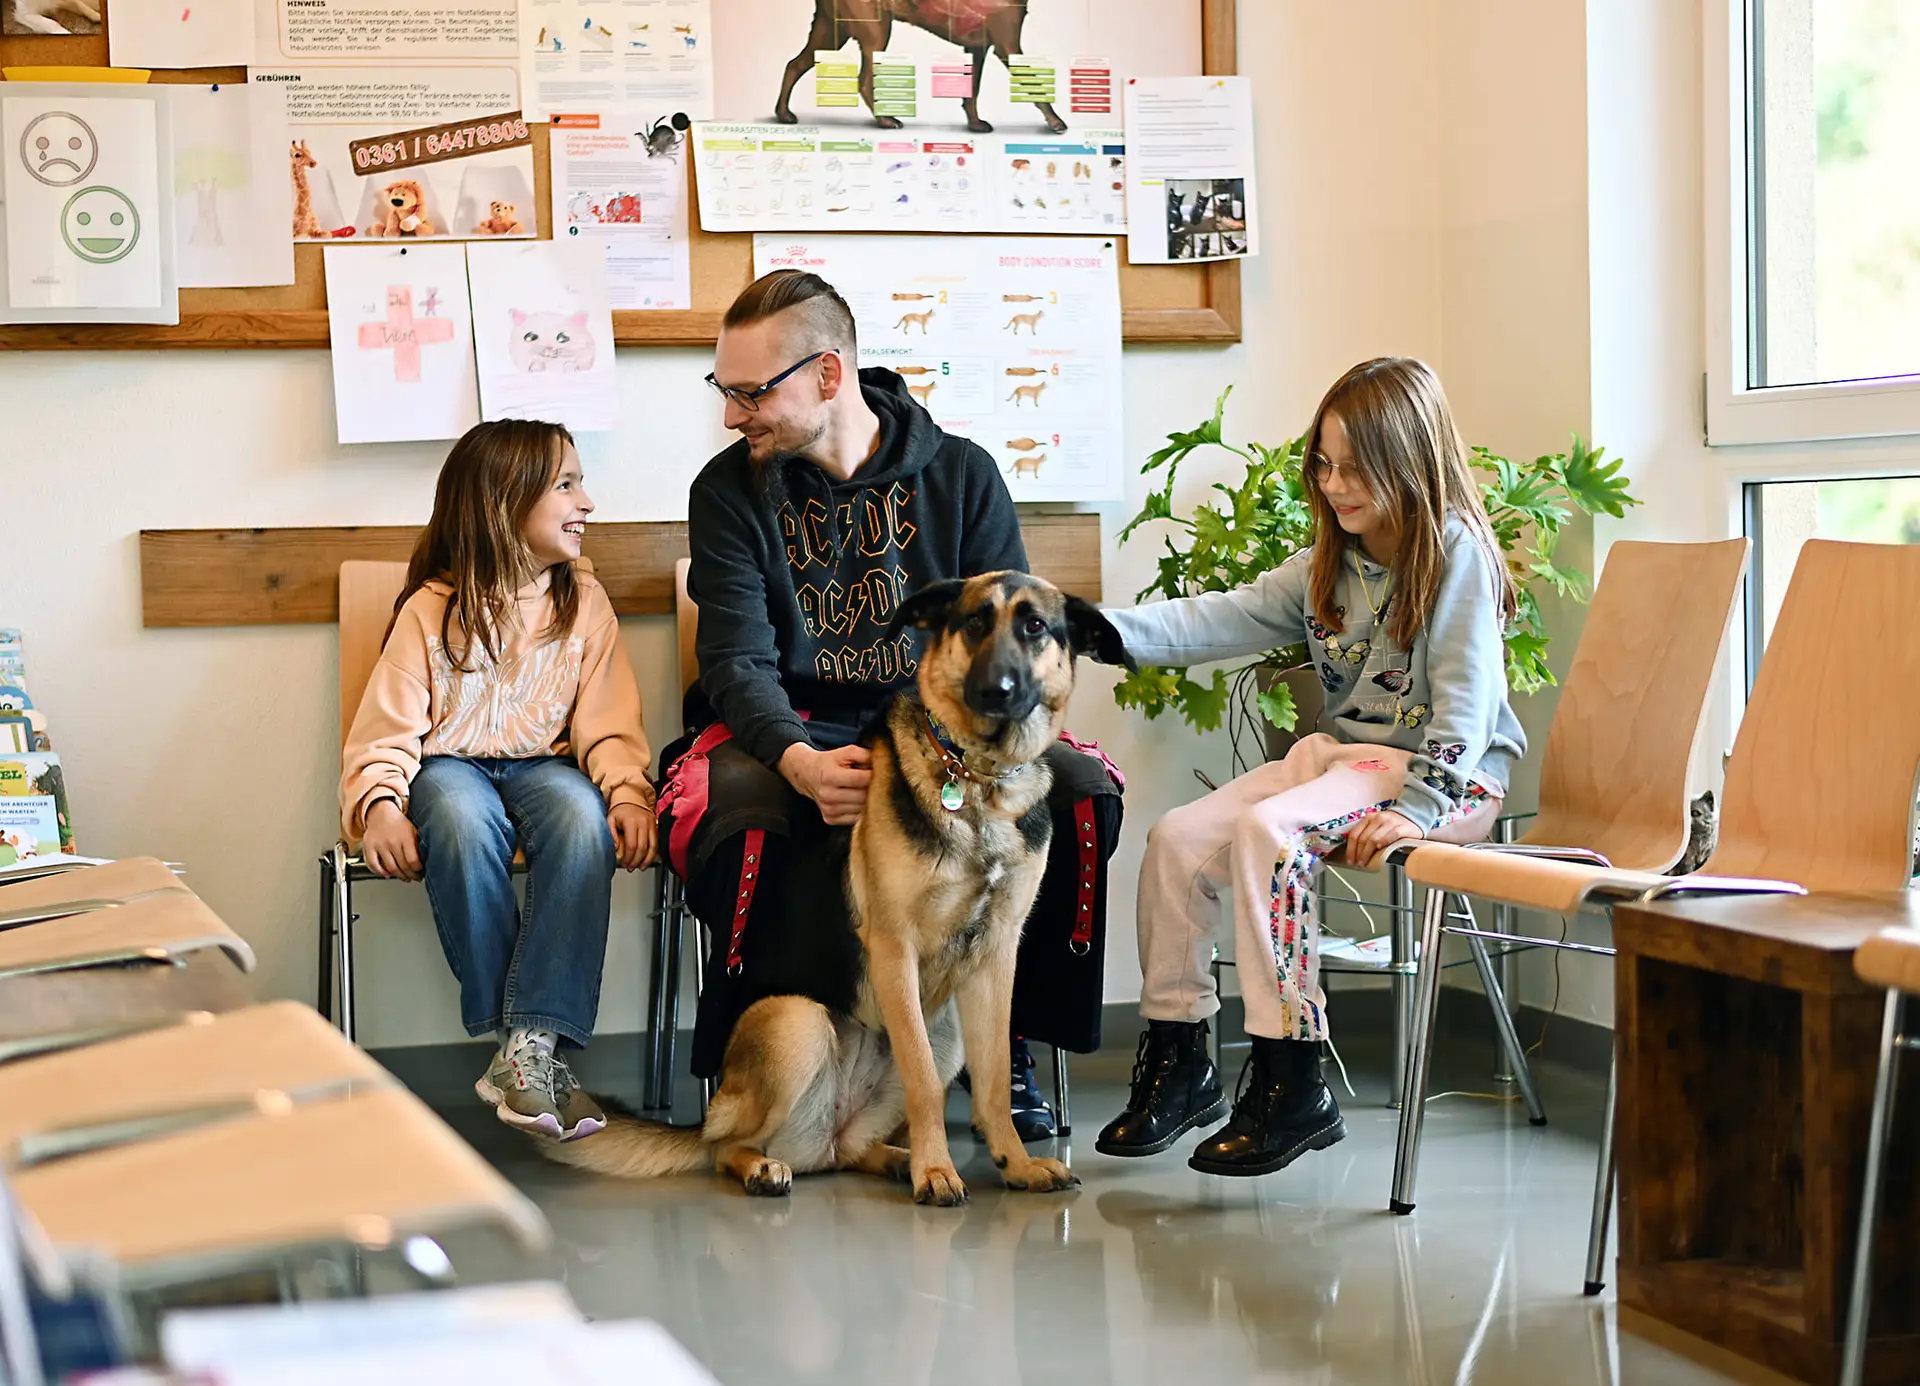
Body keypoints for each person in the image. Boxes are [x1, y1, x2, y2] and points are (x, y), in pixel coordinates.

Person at [665, 270, 1122, 1140]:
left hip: (942, 731)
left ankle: (1012, 1052)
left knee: (1084, 795)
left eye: (749, 393)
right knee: (746, 817)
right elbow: (734, 657)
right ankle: (760, 1072)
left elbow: (1009, 647)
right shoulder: (726, 492)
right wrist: (796, 758)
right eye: (723, 391)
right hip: (794, 729)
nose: (732, 414)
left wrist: (959, 755)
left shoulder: (961, 474)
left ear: (828, 376)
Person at [1094, 357, 1523, 1176]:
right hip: (1349, 759)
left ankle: (1294, 1079)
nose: (1334, 484)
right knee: (1181, 838)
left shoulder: (1456, 553)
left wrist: (1425, 806)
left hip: (1444, 774)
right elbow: (1222, 617)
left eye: (1356, 466)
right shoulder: (1332, 560)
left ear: (1409, 458)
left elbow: (1466, 704)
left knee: (1271, 832)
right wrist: (1102, 632)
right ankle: (1181, 1061)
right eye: (1323, 464)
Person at [340, 420, 656, 1143]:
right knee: (457, 817)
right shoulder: (430, 609)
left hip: (548, 766)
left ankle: (527, 1047)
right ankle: (529, 1044)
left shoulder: (586, 604)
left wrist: (628, 794)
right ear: (502, 502)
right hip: (447, 767)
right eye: (568, 484)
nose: (589, 502)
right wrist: (382, 805)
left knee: (582, 821)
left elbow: (608, 723)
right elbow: (385, 730)